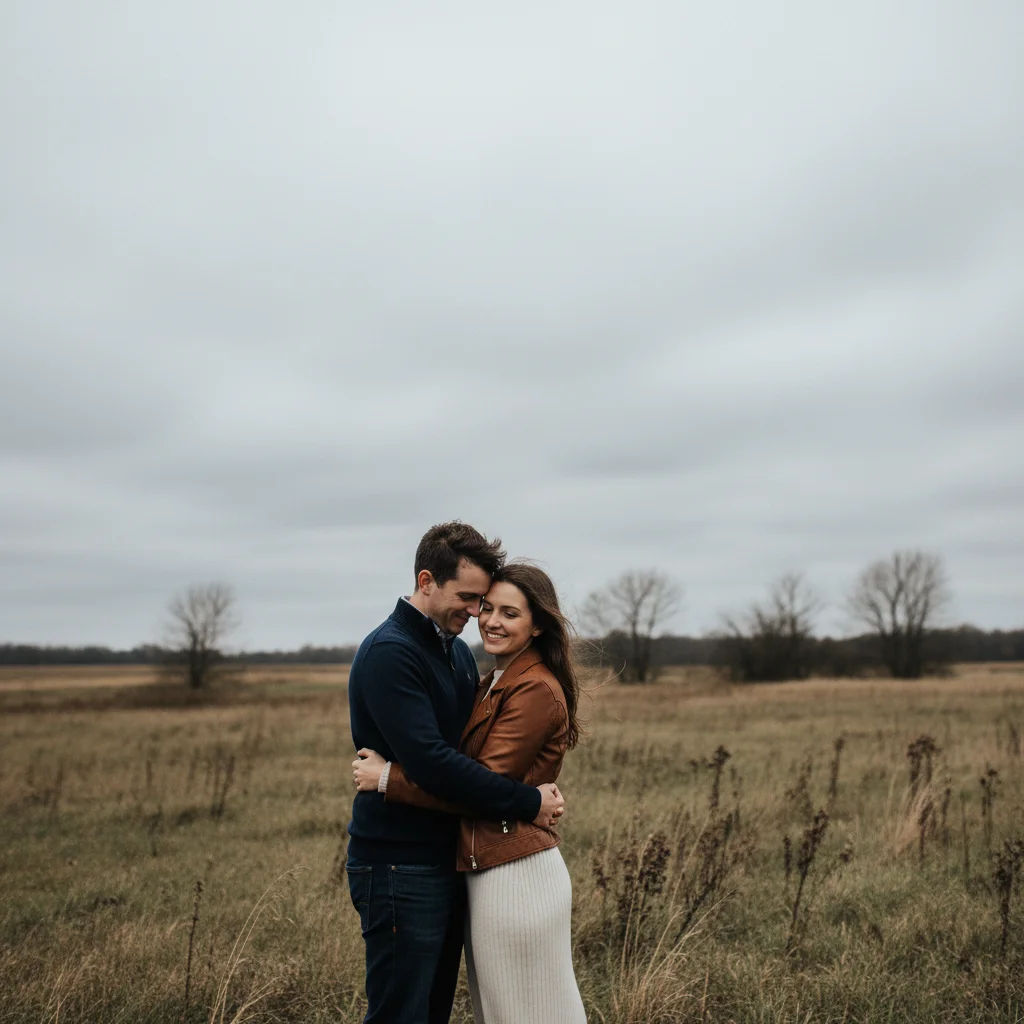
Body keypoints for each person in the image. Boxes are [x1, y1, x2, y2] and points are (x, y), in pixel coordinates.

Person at [346, 523, 565, 1024]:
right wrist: (529, 802)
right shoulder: (392, 652)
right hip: (399, 863)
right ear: (427, 581)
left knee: (433, 1011)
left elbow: (473, 758)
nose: (475, 612)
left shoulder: (456, 654)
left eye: (482, 601)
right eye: (468, 598)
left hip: (449, 859)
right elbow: (436, 765)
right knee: (401, 1014)